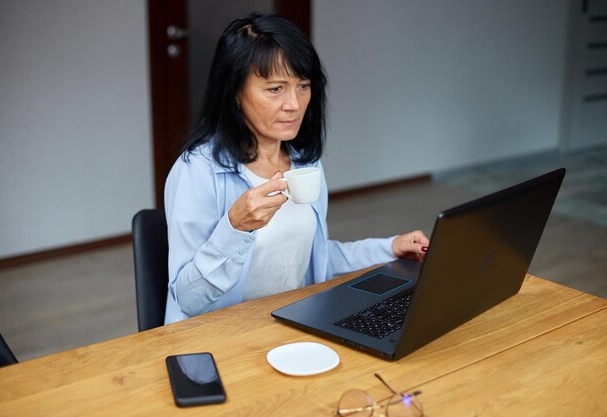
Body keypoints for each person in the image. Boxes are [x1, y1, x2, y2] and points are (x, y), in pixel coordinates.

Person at [164, 13, 429, 324]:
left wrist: (389, 248)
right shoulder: (197, 171)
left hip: (293, 323)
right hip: (221, 336)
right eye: (275, 89)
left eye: (303, 85)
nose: (294, 103)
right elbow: (189, 300)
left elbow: (311, 259)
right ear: (234, 92)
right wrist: (235, 228)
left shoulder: (304, 161)